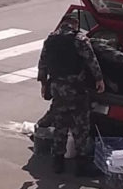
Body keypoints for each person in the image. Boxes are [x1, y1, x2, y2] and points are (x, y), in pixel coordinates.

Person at [37, 13, 105, 175]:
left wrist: (43, 83)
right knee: (80, 126)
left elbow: (42, 62)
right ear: (74, 24)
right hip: (76, 90)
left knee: (60, 125)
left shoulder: (51, 39)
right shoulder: (79, 40)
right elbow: (91, 61)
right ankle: (81, 166)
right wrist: (99, 79)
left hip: (57, 89)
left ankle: (57, 163)